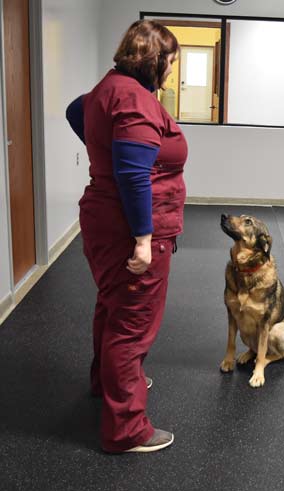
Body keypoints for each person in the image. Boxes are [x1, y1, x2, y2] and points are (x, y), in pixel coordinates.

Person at [66, 20, 188, 453]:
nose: (172, 71)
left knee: (112, 303)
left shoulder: (110, 86)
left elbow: (74, 111)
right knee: (133, 323)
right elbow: (135, 175)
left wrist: (103, 151)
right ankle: (127, 430)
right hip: (131, 225)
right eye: (171, 62)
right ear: (155, 60)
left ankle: (108, 381)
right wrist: (142, 239)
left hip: (103, 216)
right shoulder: (135, 100)